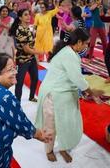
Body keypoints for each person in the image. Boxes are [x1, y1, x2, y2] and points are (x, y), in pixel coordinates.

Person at [35, 28, 102, 163]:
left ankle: (64, 147)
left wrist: (86, 91)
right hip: (53, 95)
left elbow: (73, 78)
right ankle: (49, 150)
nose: (86, 47)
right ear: (78, 42)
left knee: (67, 124)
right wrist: (92, 91)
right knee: (51, 125)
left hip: (64, 94)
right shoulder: (68, 54)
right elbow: (77, 78)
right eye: (86, 44)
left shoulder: (70, 52)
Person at [9, 9, 43, 102]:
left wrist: (35, 57)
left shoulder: (27, 28)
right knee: (19, 82)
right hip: (22, 60)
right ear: (20, 18)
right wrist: (39, 52)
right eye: (25, 15)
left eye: (29, 14)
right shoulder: (20, 30)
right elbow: (26, 49)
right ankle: (17, 102)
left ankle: (31, 96)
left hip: (31, 58)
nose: (29, 16)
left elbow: (31, 45)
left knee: (35, 78)